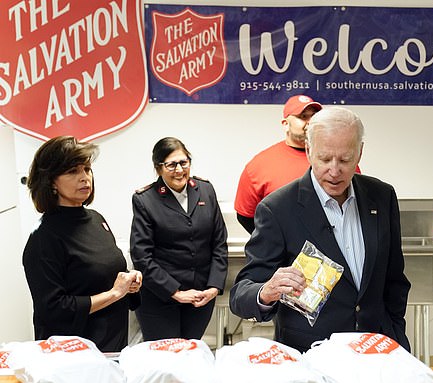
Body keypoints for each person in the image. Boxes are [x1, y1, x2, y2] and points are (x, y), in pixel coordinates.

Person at [230, 106, 411, 352]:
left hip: (376, 350)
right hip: (310, 355)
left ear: (359, 153)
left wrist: (395, 332)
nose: (335, 171)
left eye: (345, 159)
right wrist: (266, 291)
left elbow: (394, 280)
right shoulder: (278, 208)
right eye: (325, 159)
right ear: (308, 151)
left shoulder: (381, 196)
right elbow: (240, 294)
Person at [22, 136, 142, 352]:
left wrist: (129, 282)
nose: (84, 178)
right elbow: (54, 309)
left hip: (112, 346)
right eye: (73, 172)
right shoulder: (43, 237)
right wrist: (115, 293)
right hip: (72, 354)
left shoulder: (96, 219)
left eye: (87, 169)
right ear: (51, 181)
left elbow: (107, 271)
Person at [130, 137, 228, 341]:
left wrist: (213, 287)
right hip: (160, 298)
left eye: (184, 162)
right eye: (171, 165)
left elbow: (219, 243)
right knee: (166, 362)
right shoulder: (145, 199)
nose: (179, 170)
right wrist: (175, 292)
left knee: (191, 356)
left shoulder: (205, 190)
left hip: (200, 297)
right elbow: (141, 256)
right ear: (158, 168)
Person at [234, 94, 322, 233]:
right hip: (282, 252)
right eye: (303, 116)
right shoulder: (260, 165)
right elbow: (245, 216)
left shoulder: (337, 159)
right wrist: (272, 240)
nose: (310, 122)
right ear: (285, 124)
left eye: (314, 117)